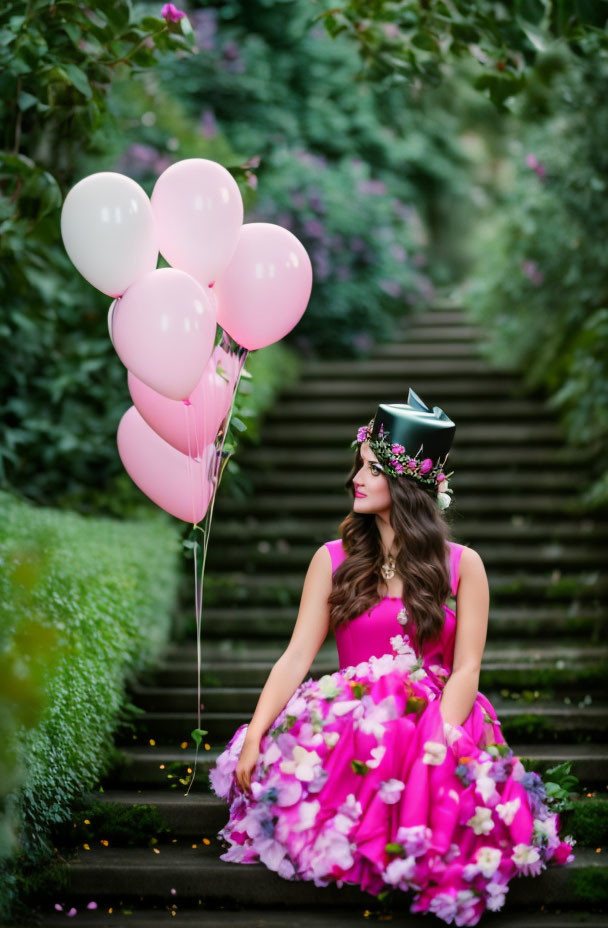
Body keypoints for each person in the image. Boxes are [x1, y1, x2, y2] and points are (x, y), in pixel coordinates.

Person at [209, 387, 576, 925]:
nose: (357, 478)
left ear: (405, 485)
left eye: (373, 470)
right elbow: (295, 657)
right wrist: (258, 733)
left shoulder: (463, 565)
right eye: (359, 466)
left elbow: (468, 666)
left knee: (413, 734)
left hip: (443, 712)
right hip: (353, 715)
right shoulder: (332, 560)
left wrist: (441, 738)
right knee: (376, 719)